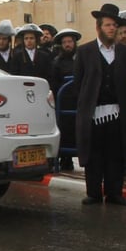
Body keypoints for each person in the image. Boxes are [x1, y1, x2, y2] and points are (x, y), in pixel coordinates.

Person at [74, 4, 126, 206]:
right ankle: (93, 193)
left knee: (115, 155)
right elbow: (78, 82)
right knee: (93, 155)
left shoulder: (125, 52)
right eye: (108, 25)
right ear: (99, 28)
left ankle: (114, 193)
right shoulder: (85, 51)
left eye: (114, 25)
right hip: (93, 112)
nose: (111, 28)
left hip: (117, 112)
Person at [51, 28, 81, 171]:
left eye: (70, 41)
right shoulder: (57, 62)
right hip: (65, 102)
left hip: (80, 100)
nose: (68, 44)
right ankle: (66, 159)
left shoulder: (82, 58)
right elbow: (55, 83)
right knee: (65, 131)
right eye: (65, 42)